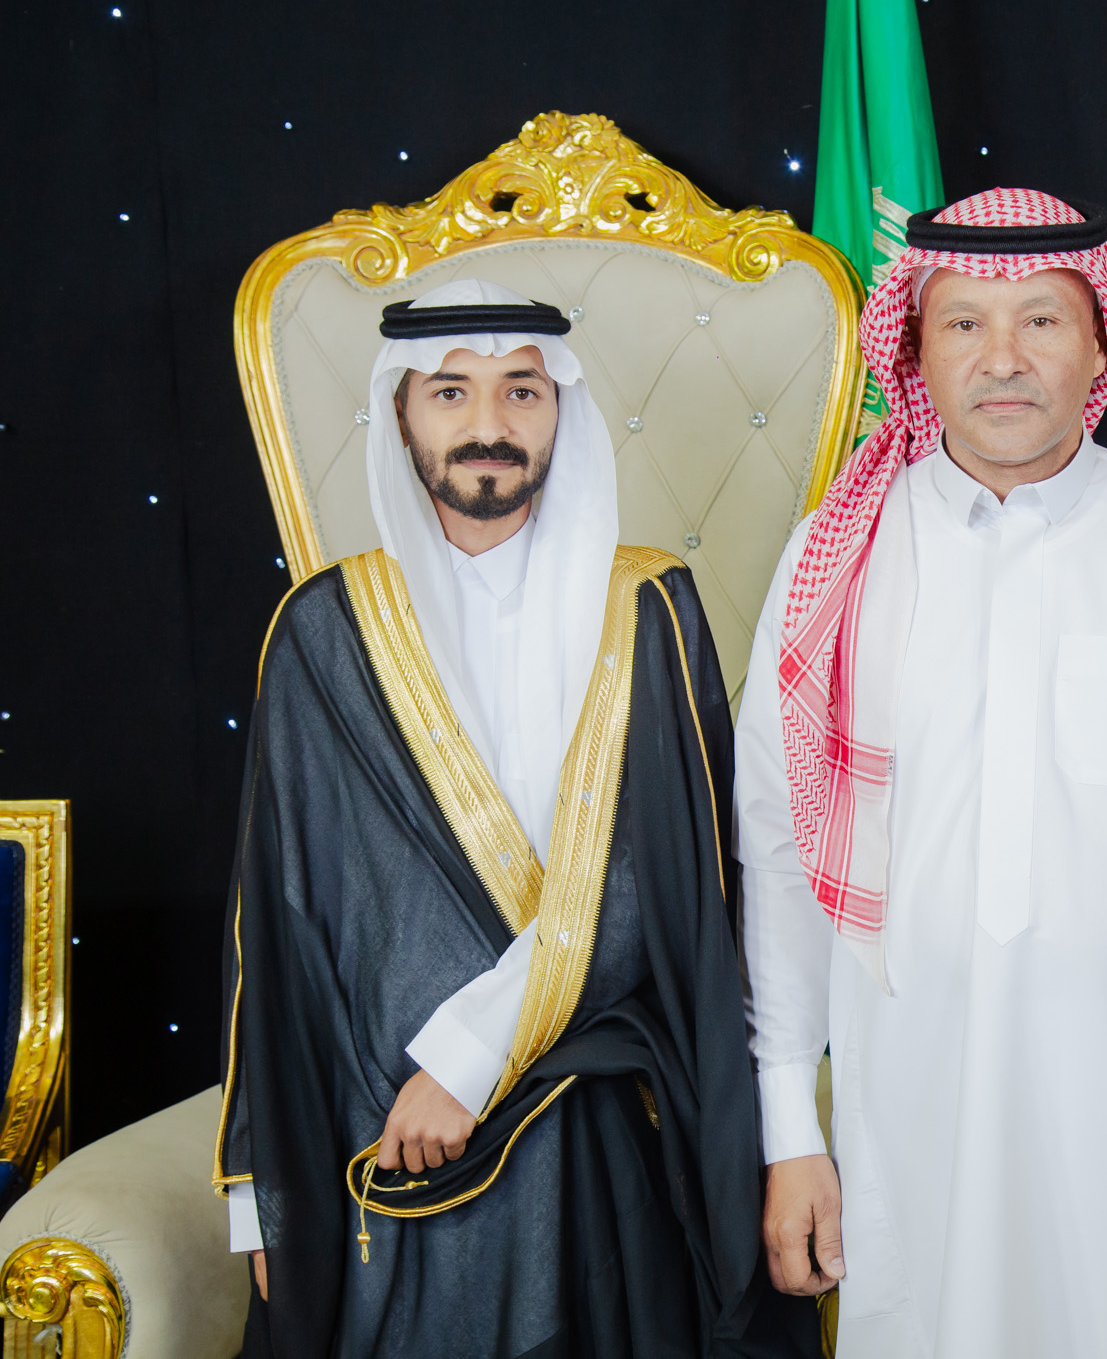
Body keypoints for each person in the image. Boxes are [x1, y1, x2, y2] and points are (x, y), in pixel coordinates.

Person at [734, 189, 1107, 1359]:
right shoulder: (834, 560)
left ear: (1101, 344)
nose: (1001, 359)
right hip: (911, 1116)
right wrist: (789, 1134)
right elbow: (778, 855)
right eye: (962, 323)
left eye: (1042, 322)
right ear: (912, 351)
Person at [214, 279, 817, 1357]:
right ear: (402, 413)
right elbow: (275, 924)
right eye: (451, 391)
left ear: (560, 412)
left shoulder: (649, 609)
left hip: (599, 1119)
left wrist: (469, 1058)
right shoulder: (323, 630)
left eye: (521, 391)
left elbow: (668, 881)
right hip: (387, 1133)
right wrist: (259, 1192)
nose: (488, 423)